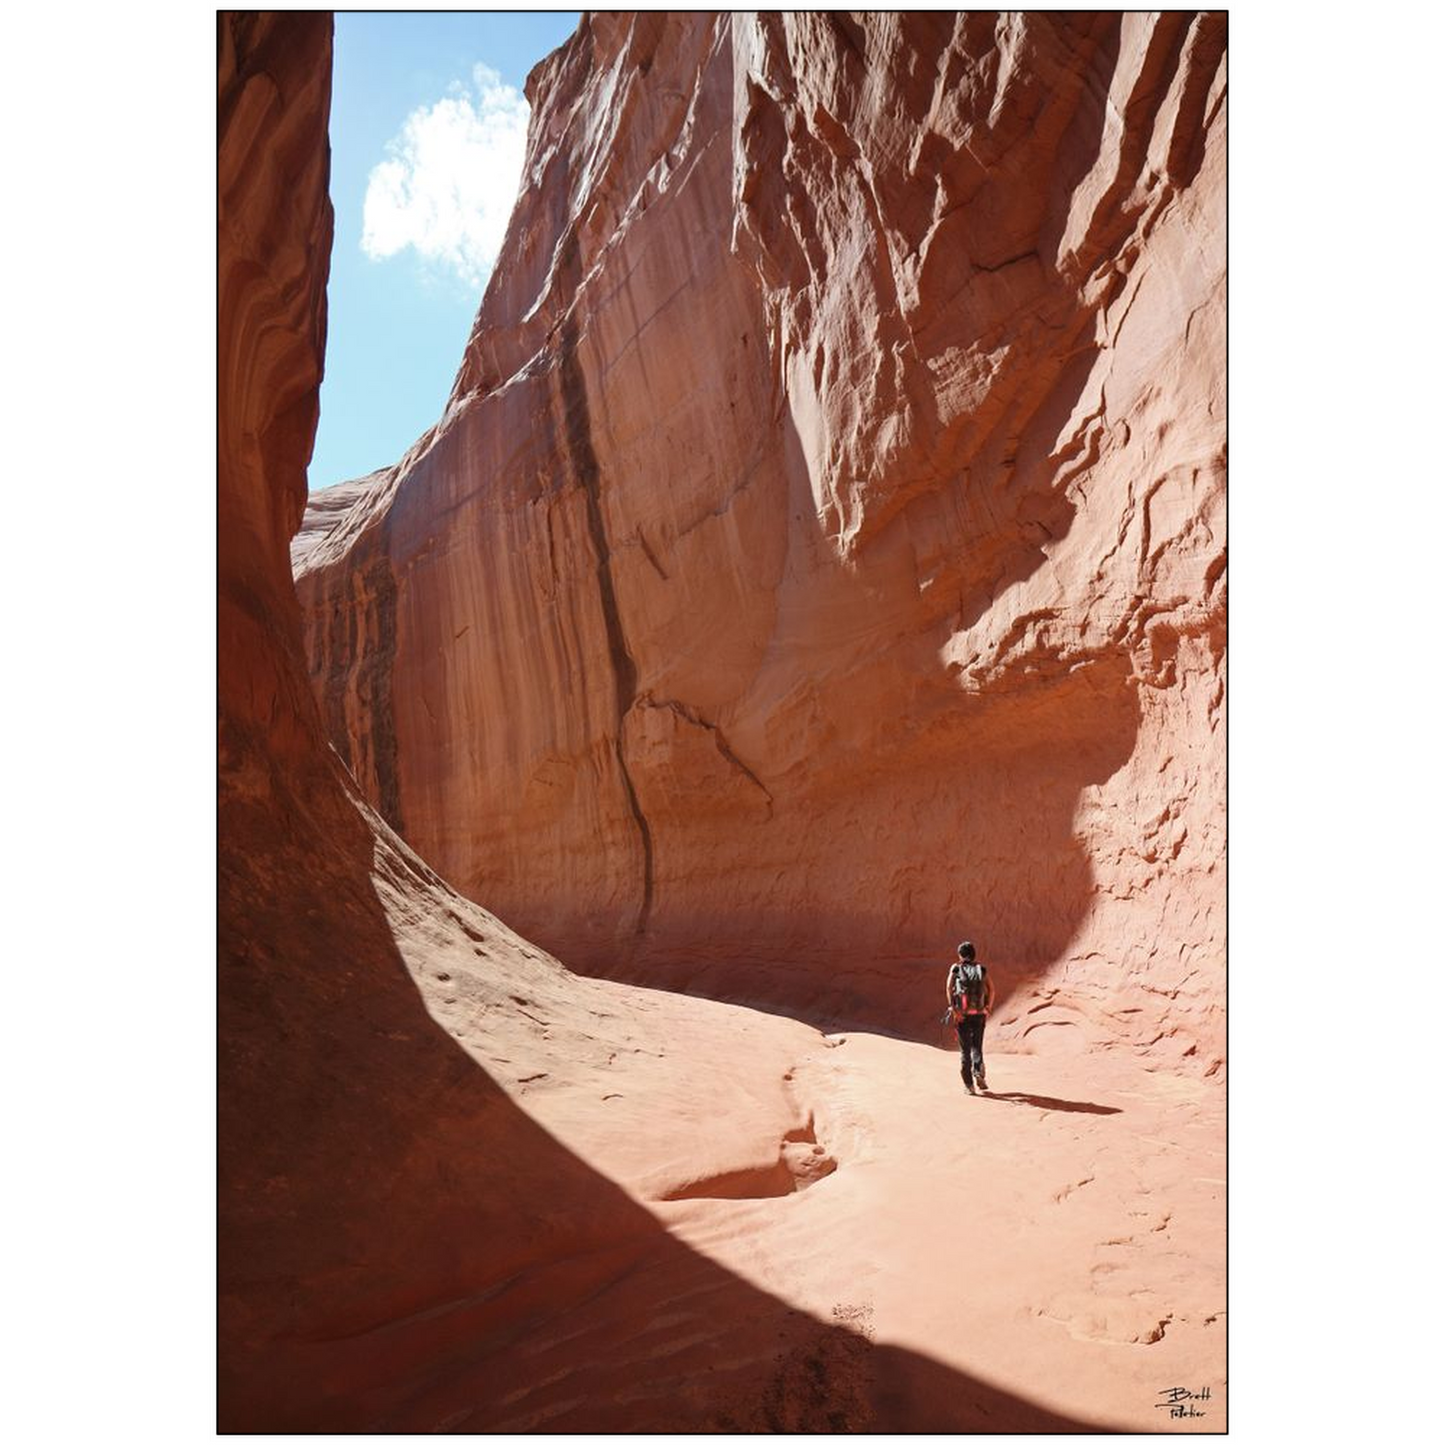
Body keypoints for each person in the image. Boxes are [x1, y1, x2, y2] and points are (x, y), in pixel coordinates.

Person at [944, 940, 994, 1094]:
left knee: (965, 1050)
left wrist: (954, 1009)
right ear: (973, 954)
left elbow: (948, 987)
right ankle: (978, 1072)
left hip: (962, 1015)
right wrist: (987, 1008)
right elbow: (991, 990)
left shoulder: (956, 968)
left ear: (960, 955)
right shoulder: (981, 969)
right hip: (979, 1014)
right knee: (977, 1046)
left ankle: (969, 1086)